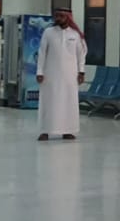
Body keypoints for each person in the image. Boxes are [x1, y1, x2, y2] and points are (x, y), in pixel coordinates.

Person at [35, 8, 85, 142]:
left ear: (68, 17)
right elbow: (42, 53)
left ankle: (67, 131)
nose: (58, 18)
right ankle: (45, 130)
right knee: (49, 102)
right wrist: (40, 71)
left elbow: (81, 55)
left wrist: (81, 72)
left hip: (70, 76)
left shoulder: (75, 34)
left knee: (69, 102)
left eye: (61, 16)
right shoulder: (48, 32)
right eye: (56, 16)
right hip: (51, 75)